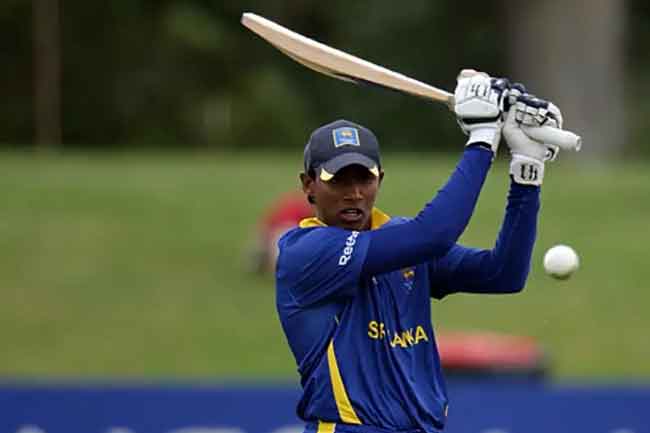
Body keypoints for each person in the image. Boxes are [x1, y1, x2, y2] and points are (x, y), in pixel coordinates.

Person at [275, 70, 567, 433]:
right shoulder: (305, 251)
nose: (354, 193)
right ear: (308, 186)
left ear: (380, 179)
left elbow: (504, 274)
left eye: (364, 178)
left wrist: (527, 171)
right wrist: (482, 139)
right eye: (338, 180)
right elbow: (433, 235)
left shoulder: (399, 240)